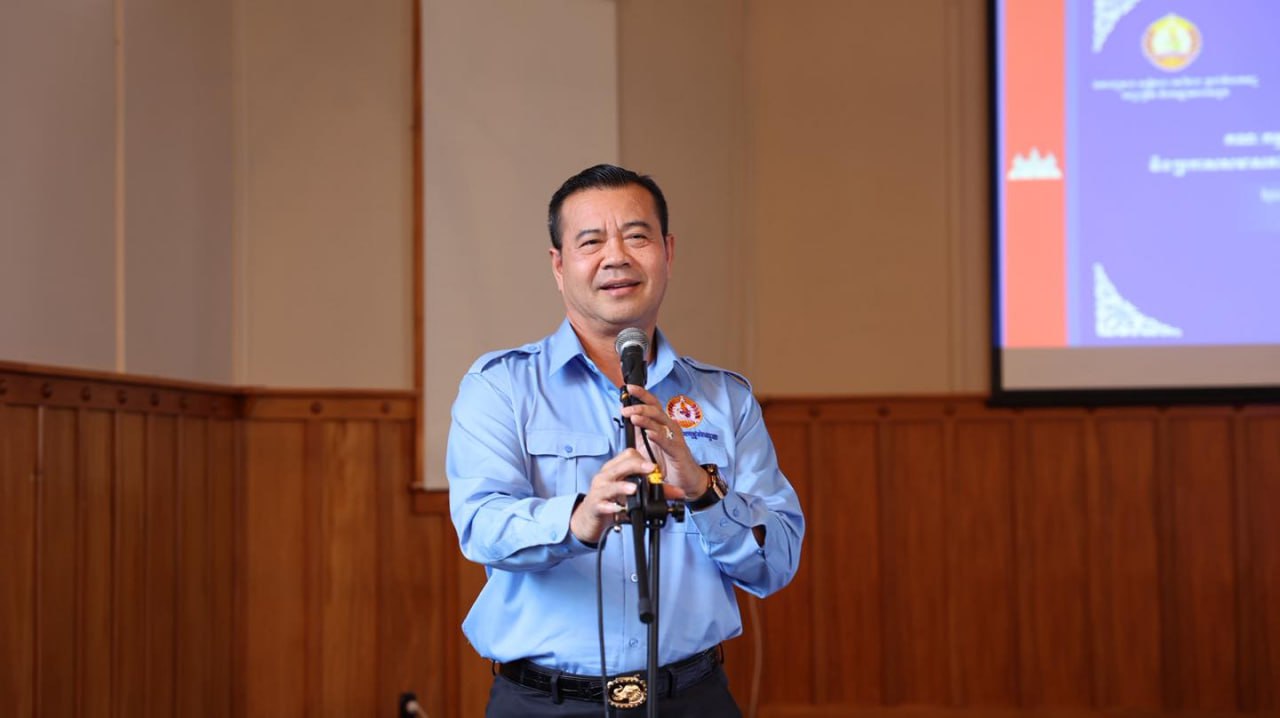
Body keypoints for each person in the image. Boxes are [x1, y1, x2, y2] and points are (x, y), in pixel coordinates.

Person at [446, 164, 805, 716]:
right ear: (559, 266)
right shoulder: (501, 387)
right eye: (591, 242)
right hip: (546, 703)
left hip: (694, 698)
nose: (616, 257)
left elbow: (776, 559)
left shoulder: (725, 398)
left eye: (636, 237)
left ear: (667, 252)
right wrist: (579, 519)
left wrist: (703, 492)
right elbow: (480, 526)